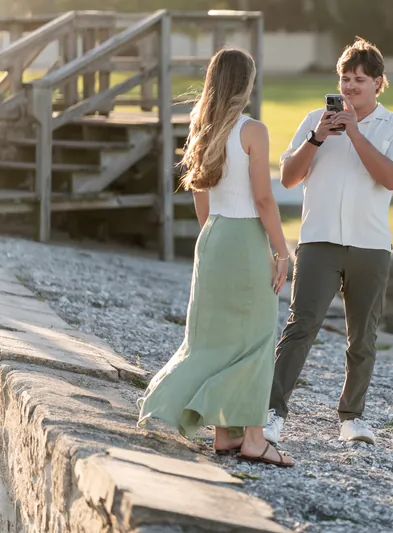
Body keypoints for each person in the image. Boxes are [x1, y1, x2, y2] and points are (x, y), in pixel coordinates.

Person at [137, 48, 294, 467]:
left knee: (217, 338)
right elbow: (263, 198)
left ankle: (226, 434)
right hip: (244, 239)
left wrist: (212, 237)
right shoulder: (253, 131)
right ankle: (254, 440)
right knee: (257, 338)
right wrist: (282, 251)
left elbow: (201, 198)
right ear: (246, 84)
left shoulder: (200, 128)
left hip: (214, 237)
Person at [264, 37, 393, 445]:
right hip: (318, 241)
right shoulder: (316, 119)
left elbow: (389, 178)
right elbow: (289, 178)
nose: (349, 87)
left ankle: (352, 418)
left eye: (359, 80)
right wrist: (316, 138)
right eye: (345, 79)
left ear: (379, 83)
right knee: (300, 327)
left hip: (370, 245)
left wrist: (354, 134)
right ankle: (272, 412)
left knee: (362, 337)